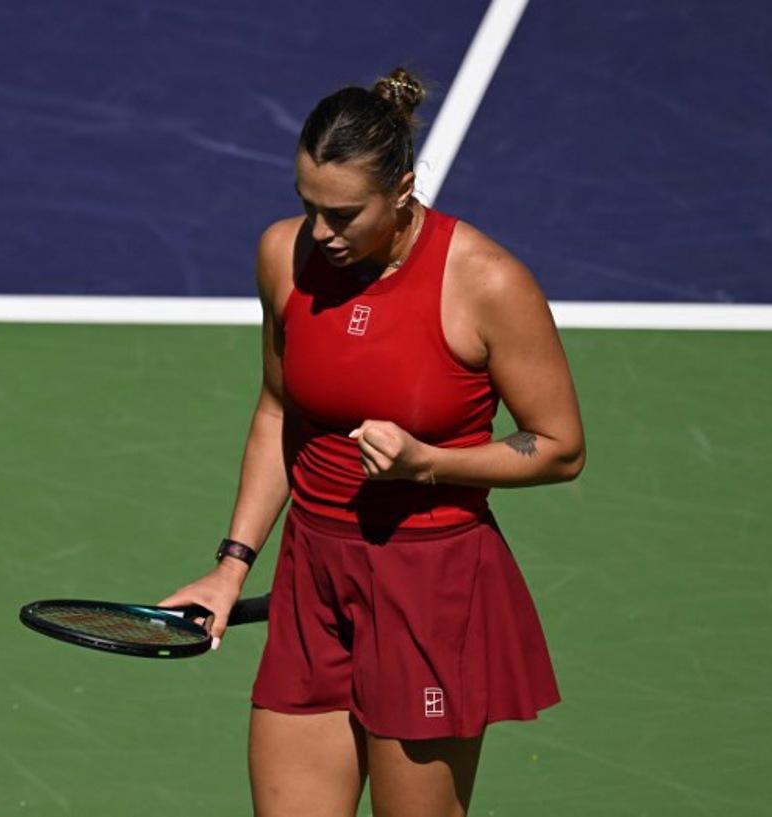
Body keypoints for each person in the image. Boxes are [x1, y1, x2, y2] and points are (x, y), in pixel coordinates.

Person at [160, 67, 585, 817]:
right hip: (312, 581)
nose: (320, 233)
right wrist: (231, 564)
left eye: (344, 214)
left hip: (432, 591)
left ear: (403, 191)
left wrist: (431, 464)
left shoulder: (485, 282)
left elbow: (559, 447)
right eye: (308, 206)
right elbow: (276, 411)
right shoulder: (284, 256)